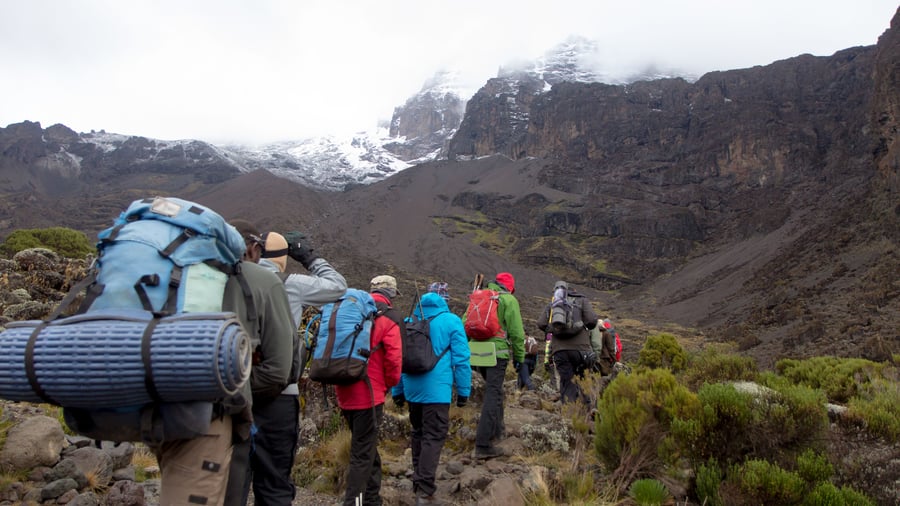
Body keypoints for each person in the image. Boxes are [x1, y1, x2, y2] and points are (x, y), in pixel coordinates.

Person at [152, 218, 295, 506]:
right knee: (243, 487)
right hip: (230, 412)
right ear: (254, 249)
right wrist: (233, 386)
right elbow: (280, 369)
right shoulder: (264, 282)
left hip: (172, 407)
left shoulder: (178, 276)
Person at [228, 229, 347, 505]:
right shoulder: (290, 284)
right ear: (283, 257)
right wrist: (308, 256)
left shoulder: (228, 279)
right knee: (274, 484)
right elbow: (338, 285)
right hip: (279, 394)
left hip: (232, 390)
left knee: (232, 480)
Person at [391, 291, 471, 505]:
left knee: (418, 433)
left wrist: (397, 391)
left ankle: (418, 482)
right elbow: (462, 359)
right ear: (443, 303)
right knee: (434, 436)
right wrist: (464, 391)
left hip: (412, 390)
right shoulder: (452, 321)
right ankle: (425, 491)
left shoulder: (408, 321)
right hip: (437, 392)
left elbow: (397, 358)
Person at [333, 275, 402, 506]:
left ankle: (372, 498)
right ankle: (355, 502)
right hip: (369, 396)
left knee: (365, 445)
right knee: (362, 454)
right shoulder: (388, 321)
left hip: (343, 391)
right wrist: (390, 385)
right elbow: (394, 361)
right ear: (391, 295)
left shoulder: (349, 315)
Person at [473, 272, 525, 459]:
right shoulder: (508, 300)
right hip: (496, 353)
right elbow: (517, 333)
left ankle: (498, 430)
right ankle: (483, 444)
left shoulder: (479, 297)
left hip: (475, 354)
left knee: (495, 392)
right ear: (510, 287)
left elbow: (465, 323)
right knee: (492, 393)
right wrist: (519, 358)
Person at [538, 280, 599, 404]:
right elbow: (592, 321)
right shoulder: (581, 300)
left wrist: (553, 330)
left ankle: (569, 415)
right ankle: (589, 411)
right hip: (582, 350)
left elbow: (541, 323)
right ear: (572, 290)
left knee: (566, 383)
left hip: (560, 351)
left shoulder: (554, 304)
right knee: (584, 380)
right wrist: (581, 325)